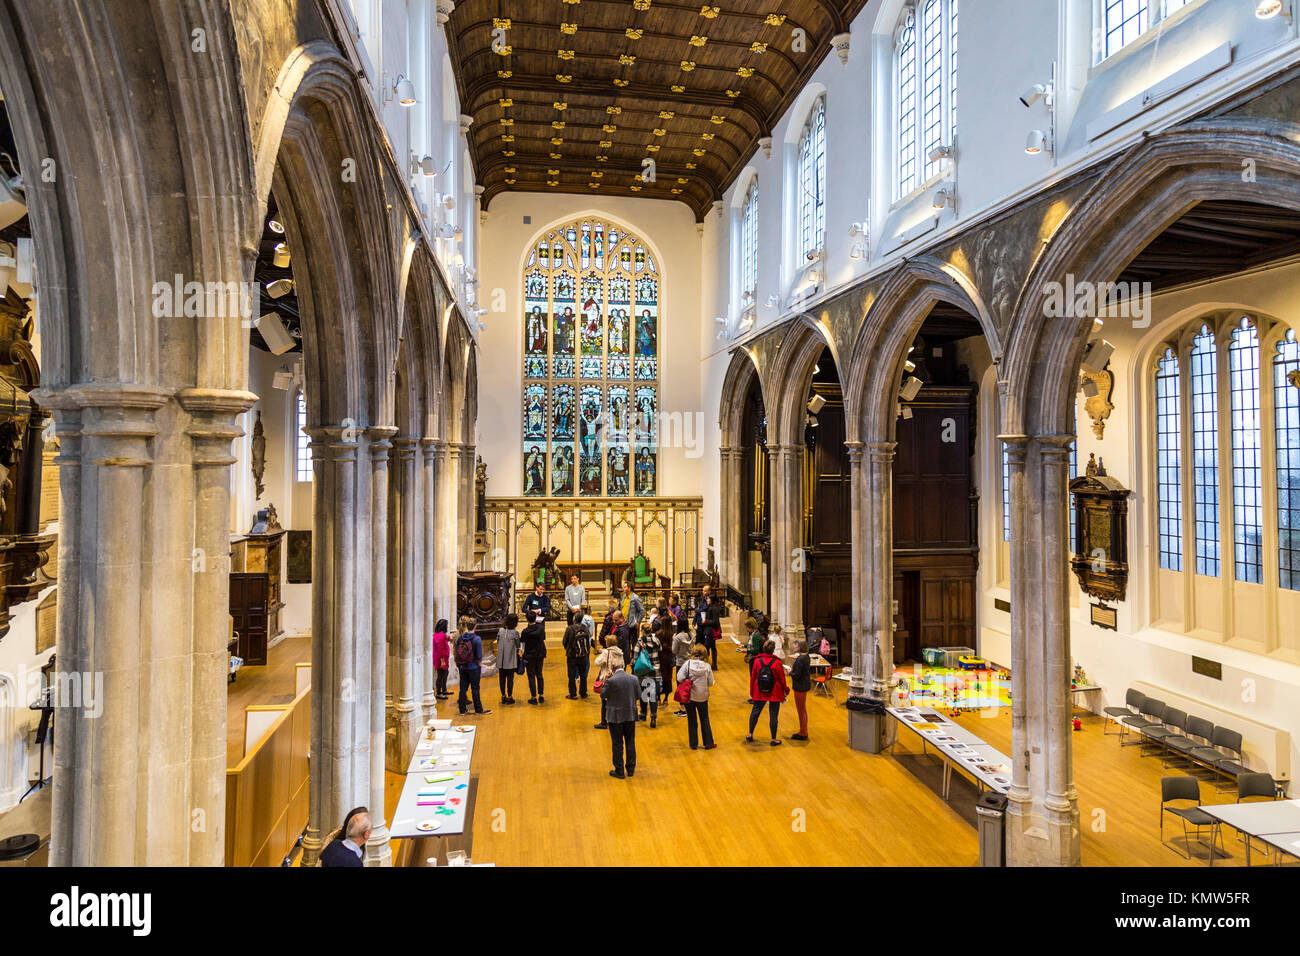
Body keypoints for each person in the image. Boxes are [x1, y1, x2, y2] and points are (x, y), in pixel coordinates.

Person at [601, 649, 639, 778]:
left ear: (612, 667)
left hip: (615, 717)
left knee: (617, 743)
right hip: (630, 714)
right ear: (623, 666)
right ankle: (631, 768)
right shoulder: (633, 678)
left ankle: (619, 770)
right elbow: (638, 695)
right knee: (630, 741)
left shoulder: (611, 681)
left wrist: (606, 680)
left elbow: (603, 695)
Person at [747, 638, 787, 745]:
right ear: (773, 650)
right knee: (773, 714)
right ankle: (773, 739)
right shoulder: (777, 662)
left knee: (755, 712)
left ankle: (750, 734)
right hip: (774, 690)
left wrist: (752, 691)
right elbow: (782, 679)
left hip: (759, 690)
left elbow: (753, 677)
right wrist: (786, 690)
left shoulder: (757, 661)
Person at [677, 645, 717, 750]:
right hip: (703, 696)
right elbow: (711, 682)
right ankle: (708, 743)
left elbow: (679, 677)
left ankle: (693, 744)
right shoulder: (707, 666)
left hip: (689, 696)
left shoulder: (688, 664)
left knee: (691, 720)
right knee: (704, 718)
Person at [454, 617, 490, 716]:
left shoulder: (460, 638)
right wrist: (481, 665)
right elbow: (478, 656)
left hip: (462, 667)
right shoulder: (476, 639)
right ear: (475, 626)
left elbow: (457, 651)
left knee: (463, 688)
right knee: (475, 688)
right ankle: (478, 709)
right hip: (473, 667)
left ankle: (462, 710)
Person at [632, 621, 661, 728]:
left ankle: (643, 713)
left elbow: (635, 658)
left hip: (643, 673)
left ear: (642, 631)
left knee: (644, 693)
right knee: (652, 695)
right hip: (655, 672)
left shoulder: (640, 642)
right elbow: (660, 650)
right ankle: (653, 716)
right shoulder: (656, 640)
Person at [592, 634, 620, 729]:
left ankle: (604, 722)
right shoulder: (620, 652)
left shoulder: (606, 653)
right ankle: (615, 720)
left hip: (607, 679)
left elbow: (596, 662)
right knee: (615, 701)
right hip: (618, 678)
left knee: (604, 702)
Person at [520, 610, 547, 704]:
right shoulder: (541, 628)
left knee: (531, 676)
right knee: (539, 674)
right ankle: (541, 695)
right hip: (540, 654)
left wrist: (521, 655)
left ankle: (533, 697)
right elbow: (543, 638)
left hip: (530, 655)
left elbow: (522, 644)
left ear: (527, 619)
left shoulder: (525, 632)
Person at [671, 616, 694, 717]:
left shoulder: (678, 637)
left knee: (680, 685)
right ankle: (689, 706)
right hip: (690, 662)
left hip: (680, 662)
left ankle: (683, 708)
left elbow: (674, 650)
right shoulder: (692, 634)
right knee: (689, 685)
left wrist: (673, 640)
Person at [496, 612, 521, 704]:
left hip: (501, 659)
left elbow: (498, 641)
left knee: (502, 679)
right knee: (510, 679)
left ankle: (503, 696)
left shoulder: (501, 631)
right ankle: (509, 696)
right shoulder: (515, 633)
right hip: (510, 659)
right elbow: (518, 645)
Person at [789, 639, 812, 741]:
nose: (794, 647)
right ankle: (804, 729)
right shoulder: (806, 657)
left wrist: (790, 672)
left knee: (801, 710)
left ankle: (803, 732)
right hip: (804, 685)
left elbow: (797, 675)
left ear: (799, 647)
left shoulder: (800, 659)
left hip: (800, 687)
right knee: (803, 709)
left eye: (795, 646)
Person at [563, 617, 591, 698]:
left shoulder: (569, 629)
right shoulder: (585, 628)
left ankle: (573, 694)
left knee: (571, 675)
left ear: (574, 619)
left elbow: (564, 641)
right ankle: (583, 693)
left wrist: (568, 649)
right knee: (583, 675)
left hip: (572, 655)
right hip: (583, 655)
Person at [694, 588, 720, 669]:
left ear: (711, 600)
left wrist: (706, 621)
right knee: (709, 647)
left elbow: (716, 622)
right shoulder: (709, 607)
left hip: (711, 631)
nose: (707, 600)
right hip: (708, 631)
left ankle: (712, 664)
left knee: (709, 647)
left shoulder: (714, 609)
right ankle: (710, 664)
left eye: (708, 598)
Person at [656, 610, 676, 704]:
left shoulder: (659, 634)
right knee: (668, 678)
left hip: (660, 658)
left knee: (660, 677)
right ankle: (666, 699)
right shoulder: (672, 634)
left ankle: (659, 697)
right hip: (669, 658)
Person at [432, 619, 451, 700]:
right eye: (446, 625)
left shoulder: (438, 634)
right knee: (441, 675)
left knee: (445, 673)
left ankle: (444, 690)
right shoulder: (441, 635)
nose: (447, 627)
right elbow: (440, 649)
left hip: (440, 658)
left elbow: (447, 639)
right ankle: (439, 693)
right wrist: (442, 661)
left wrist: (448, 637)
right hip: (441, 659)